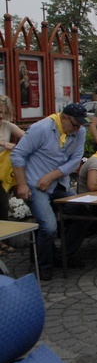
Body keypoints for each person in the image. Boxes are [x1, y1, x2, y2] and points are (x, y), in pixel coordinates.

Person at [10, 103, 91, 281]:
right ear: (64, 118)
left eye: (80, 125)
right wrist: (22, 184)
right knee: (48, 226)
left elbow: (76, 159)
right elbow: (17, 155)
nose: (77, 129)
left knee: (84, 214)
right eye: (75, 124)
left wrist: (53, 176)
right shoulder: (41, 129)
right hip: (35, 184)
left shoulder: (80, 131)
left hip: (59, 184)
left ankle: (63, 256)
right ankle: (44, 265)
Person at [0, 95, 24, 255]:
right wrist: (2, 144)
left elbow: (27, 138)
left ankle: (2, 241)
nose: (1, 116)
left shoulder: (7, 125)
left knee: (2, 207)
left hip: (2, 174)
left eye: (3, 113)